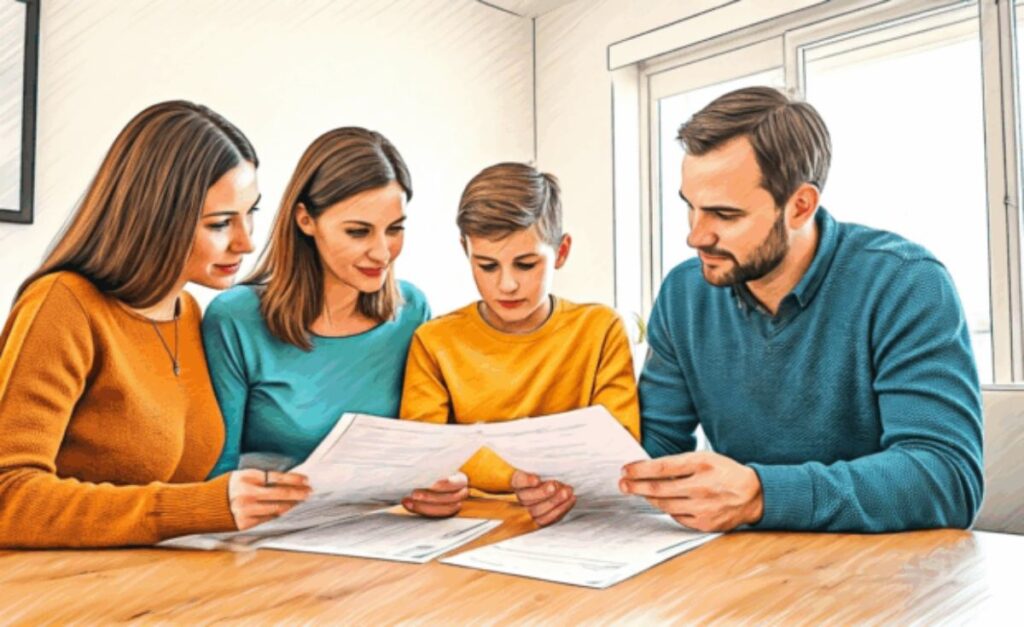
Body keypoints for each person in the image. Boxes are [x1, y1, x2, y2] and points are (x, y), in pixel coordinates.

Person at [619, 86, 984, 532]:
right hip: (742, 568)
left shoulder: (905, 282)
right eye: (690, 208)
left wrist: (762, 494)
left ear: (800, 206)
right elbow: (655, 448)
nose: (696, 236)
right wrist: (577, 472)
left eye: (724, 215)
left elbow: (946, 478)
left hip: (883, 574)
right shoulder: (684, 292)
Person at [0, 101, 310, 548]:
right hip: (55, 591)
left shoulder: (189, 312)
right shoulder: (64, 305)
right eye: (221, 223)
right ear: (156, 216)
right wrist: (196, 507)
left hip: (146, 580)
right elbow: (9, 496)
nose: (246, 241)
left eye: (251, 212)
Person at [202, 128, 447, 499]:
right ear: (305, 220)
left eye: (394, 229)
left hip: (383, 528)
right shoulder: (235, 319)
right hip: (271, 535)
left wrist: (440, 488)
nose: (382, 253)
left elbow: (424, 451)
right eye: (358, 232)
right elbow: (216, 476)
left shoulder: (412, 310)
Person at [400, 162, 640, 525]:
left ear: (561, 252)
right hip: (462, 523)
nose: (507, 285)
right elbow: (425, 454)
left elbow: (617, 444)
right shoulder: (435, 342)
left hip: (576, 520)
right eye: (487, 266)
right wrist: (518, 476)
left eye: (526, 265)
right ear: (465, 250)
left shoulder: (599, 329)